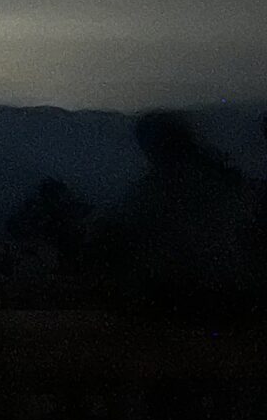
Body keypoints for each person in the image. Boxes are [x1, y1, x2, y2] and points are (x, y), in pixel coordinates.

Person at [94, 110, 252, 320]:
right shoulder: (220, 177)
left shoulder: (161, 186)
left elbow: (123, 222)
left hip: (183, 294)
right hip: (229, 290)